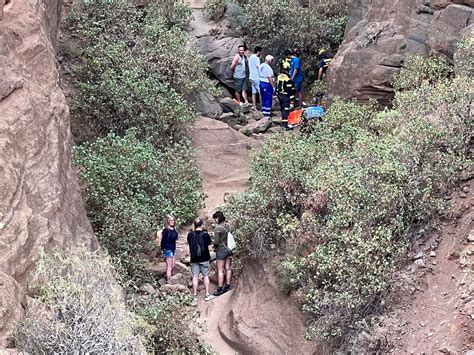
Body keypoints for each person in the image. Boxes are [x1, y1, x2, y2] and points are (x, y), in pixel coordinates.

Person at [187, 217, 215, 301]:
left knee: (195, 276)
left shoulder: (190, 235)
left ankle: (194, 295)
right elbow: (209, 243)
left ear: (194, 225)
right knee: (205, 276)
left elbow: (189, 242)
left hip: (194, 259)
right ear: (202, 225)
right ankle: (207, 295)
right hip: (205, 258)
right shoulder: (205, 235)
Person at [212, 211, 232, 296]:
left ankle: (220, 288)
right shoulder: (228, 225)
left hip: (221, 250)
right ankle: (227, 285)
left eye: (215, 219)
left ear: (217, 218)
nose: (215, 220)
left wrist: (213, 244)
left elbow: (216, 242)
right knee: (228, 268)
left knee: (220, 269)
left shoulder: (217, 228)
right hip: (229, 249)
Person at [159, 214, 178, 281]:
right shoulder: (166, 230)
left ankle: (167, 278)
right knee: (170, 267)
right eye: (170, 220)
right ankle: (169, 282)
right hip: (167, 249)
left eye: (173, 220)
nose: (172, 221)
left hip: (173, 249)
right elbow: (163, 240)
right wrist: (162, 249)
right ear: (168, 221)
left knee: (172, 266)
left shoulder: (174, 229)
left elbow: (175, 239)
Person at [259, 55, 275, 119]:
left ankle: (264, 111)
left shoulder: (261, 65)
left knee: (263, 98)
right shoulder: (268, 67)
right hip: (267, 84)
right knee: (268, 98)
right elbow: (270, 78)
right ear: (270, 60)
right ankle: (267, 114)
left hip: (261, 83)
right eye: (272, 61)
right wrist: (273, 86)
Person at [248, 46, 263, 111]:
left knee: (254, 93)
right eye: (261, 51)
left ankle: (254, 107)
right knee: (261, 92)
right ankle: (262, 108)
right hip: (256, 77)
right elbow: (258, 68)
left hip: (251, 77)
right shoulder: (257, 58)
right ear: (259, 51)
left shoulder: (251, 57)